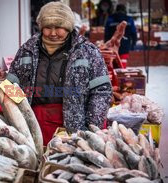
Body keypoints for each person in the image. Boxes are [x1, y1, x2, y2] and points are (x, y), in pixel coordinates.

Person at [8, 2, 112, 145]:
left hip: (73, 125)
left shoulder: (87, 51)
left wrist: (91, 128)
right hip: (32, 122)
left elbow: (101, 91)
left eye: (58, 28)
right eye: (48, 27)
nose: (53, 33)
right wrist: (16, 117)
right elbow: (10, 85)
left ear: (68, 27)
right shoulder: (27, 50)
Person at [104, 4, 137, 68]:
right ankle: (122, 76)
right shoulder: (129, 19)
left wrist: (106, 45)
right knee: (122, 65)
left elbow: (106, 33)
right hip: (125, 45)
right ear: (125, 10)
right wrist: (133, 44)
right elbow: (133, 33)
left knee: (112, 65)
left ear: (116, 10)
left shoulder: (110, 18)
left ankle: (115, 77)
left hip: (112, 46)